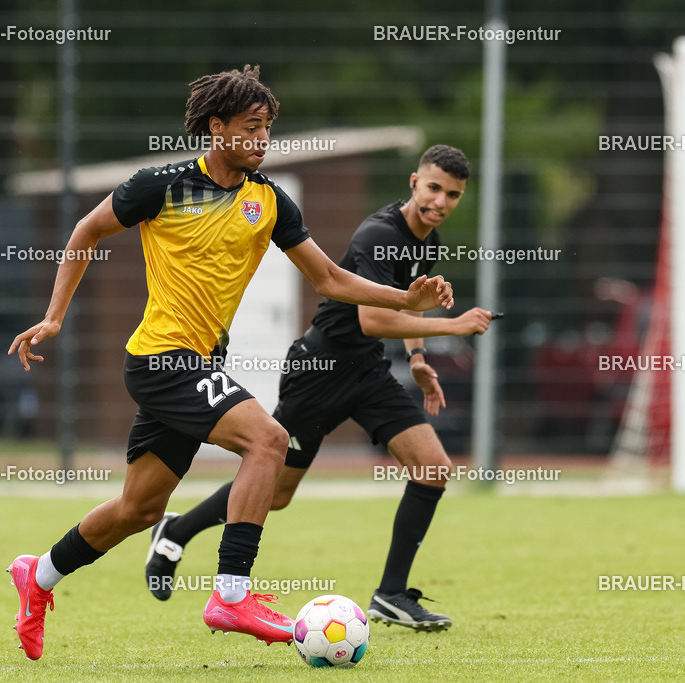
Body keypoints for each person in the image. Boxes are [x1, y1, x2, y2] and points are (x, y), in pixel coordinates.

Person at [6, 65, 455, 660]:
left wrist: (405, 298)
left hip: (196, 361)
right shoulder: (160, 184)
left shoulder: (269, 201)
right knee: (268, 439)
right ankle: (231, 593)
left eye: (268, 128)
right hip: (161, 359)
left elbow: (327, 277)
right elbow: (85, 233)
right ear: (217, 128)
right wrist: (56, 316)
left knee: (140, 509)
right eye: (251, 127)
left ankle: (37, 577)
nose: (262, 139)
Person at [144, 144, 489, 632]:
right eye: (434, 188)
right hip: (319, 371)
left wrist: (416, 358)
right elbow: (371, 318)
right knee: (277, 493)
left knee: (432, 469)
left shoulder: (429, 241)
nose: (441, 201)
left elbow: (410, 305)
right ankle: (174, 531)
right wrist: (454, 327)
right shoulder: (379, 233)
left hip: (367, 374)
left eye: (453, 194)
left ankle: (390, 594)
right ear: (415, 182)